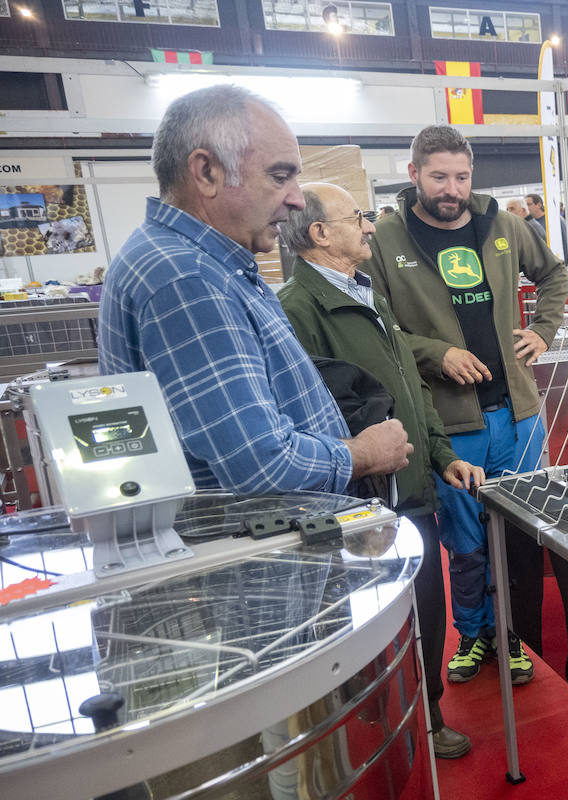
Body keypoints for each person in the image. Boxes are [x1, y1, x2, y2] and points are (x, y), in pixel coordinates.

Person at [362, 125, 568, 723]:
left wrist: (544, 330)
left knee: (524, 536)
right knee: (467, 543)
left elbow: (553, 275)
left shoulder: (505, 226)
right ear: (413, 173)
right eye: (438, 177)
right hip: (451, 420)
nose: (451, 190)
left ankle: (516, 639)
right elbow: (380, 326)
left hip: (520, 413)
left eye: (461, 177)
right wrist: (435, 354)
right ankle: (474, 635)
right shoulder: (387, 239)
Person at [100, 84, 411, 496]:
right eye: (279, 177)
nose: (298, 200)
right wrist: (363, 454)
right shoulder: (188, 279)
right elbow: (260, 465)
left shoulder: (208, 266)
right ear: (207, 172)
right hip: (261, 547)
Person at [277, 181, 485, 760]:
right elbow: (312, 417)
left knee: (427, 611)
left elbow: (411, 391)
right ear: (320, 234)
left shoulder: (365, 293)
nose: (371, 225)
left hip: (412, 488)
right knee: (375, 625)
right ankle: (389, 730)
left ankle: (430, 713)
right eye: (359, 216)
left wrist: (443, 455)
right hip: (365, 503)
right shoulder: (298, 310)